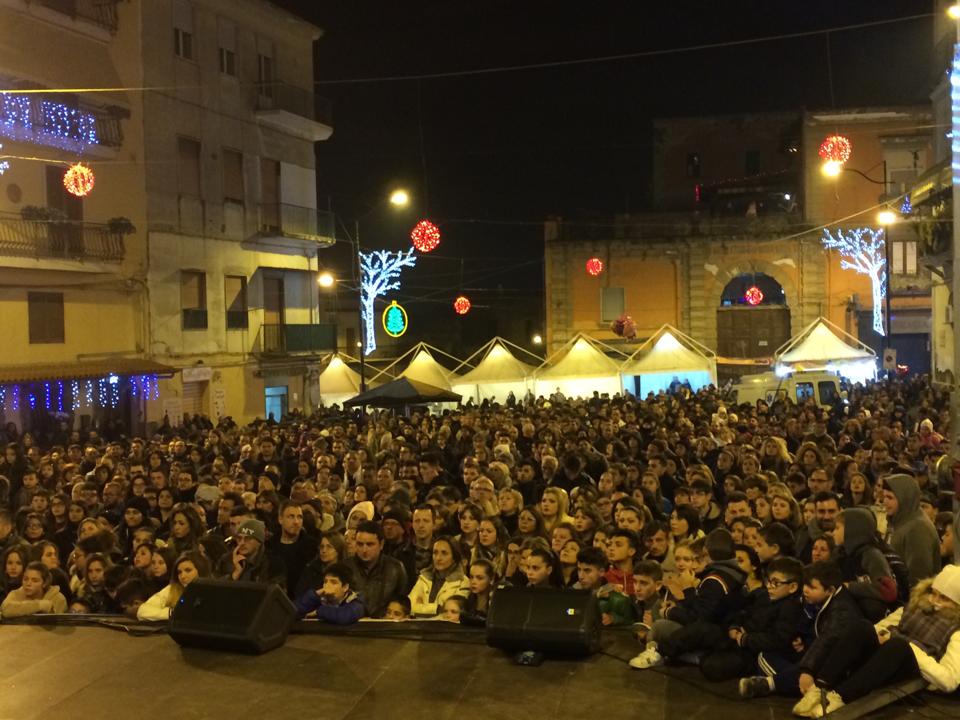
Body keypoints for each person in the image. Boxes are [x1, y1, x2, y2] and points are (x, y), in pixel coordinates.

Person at [792, 564, 960, 716]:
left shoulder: (956, 631)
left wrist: (904, 645)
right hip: (887, 654)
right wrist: (882, 636)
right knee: (863, 627)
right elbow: (878, 628)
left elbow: (948, 680)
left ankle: (839, 698)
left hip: (911, 665)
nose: (934, 600)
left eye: (944, 598)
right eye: (934, 593)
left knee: (897, 645)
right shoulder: (915, 607)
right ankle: (820, 687)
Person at [630, 528, 746, 669]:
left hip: (718, 637)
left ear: (707, 555)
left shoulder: (714, 579)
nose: (693, 564)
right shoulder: (729, 572)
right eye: (678, 558)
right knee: (661, 612)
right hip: (717, 632)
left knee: (661, 626)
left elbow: (699, 619)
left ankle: (660, 651)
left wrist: (676, 605)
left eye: (696, 559)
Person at [882, 474, 941, 586]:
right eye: (884, 496)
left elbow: (919, 578)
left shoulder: (918, 528)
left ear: (905, 498)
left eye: (890, 497)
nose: (884, 502)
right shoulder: (900, 520)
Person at [344, 520, 408, 618]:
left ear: (381, 544)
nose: (364, 550)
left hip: (385, 627)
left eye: (370, 544)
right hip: (351, 626)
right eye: (360, 544)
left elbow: (402, 603)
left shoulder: (396, 568)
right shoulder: (345, 568)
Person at [137, 551, 211, 621]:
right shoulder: (173, 589)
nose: (182, 576)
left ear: (201, 570)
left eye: (188, 570)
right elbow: (142, 611)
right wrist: (173, 613)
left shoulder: (213, 590)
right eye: (179, 572)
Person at [408, 536, 469, 617]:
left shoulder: (463, 582)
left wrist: (420, 607)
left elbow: (452, 613)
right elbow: (408, 607)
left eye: (444, 553)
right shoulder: (424, 578)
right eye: (435, 552)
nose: (438, 558)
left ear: (454, 557)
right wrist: (437, 608)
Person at [268, 501, 318, 599]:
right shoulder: (270, 545)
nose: (296, 522)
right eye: (291, 517)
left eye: (299, 517)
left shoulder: (311, 547)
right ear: (280, 519)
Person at [294, 562, 365, 623]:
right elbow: (293, 612)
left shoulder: (356, 601)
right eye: (325, 582)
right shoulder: (320, 599)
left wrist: (318, 612)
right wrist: (315, 594)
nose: (327, 586)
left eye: (333, 582)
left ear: (345, 587)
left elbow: (345, 616)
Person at [222, 519, 286, 586]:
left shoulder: (274, 564)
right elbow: (216, 590)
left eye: (248, 539)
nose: (242, 543)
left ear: (259, 542)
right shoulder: (226, 560)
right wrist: (235, 574)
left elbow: (275, 593)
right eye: (239, 538)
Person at [0, 561, 67, 617]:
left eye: (35, 580)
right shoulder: (16, 594)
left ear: (45, 583)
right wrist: (40, 605)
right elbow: (5, 609)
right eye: (25, 579)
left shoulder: (58, 598)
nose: (28, 584)